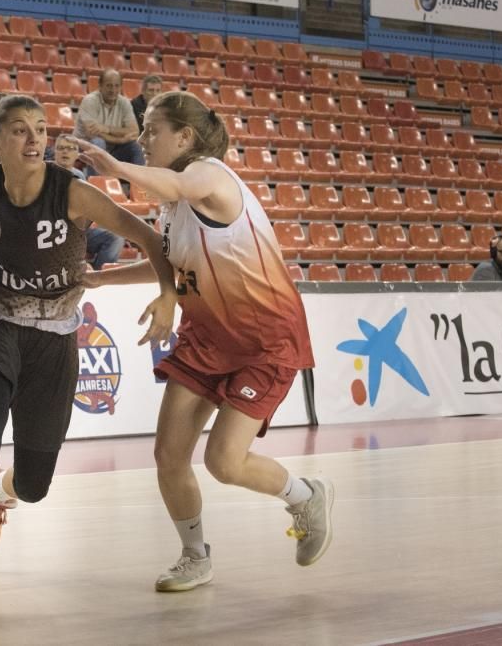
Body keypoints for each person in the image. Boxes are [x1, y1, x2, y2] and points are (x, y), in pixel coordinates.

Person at [70, 91, 334, 593]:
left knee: (223, 462)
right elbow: (168, 263)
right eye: (142, 130)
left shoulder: (209, 175)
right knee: (169, 455)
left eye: (152, 130)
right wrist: (105, 279)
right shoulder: (171, 209)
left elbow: (175, 180)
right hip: (207, 336)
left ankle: (305, 495)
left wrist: (113, 165)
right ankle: (195, 556)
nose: (144, 139)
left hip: (264, 338)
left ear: (185, 137)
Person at [0, 93, 178, 611]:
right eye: (20, 130)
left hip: (54, 338)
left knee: (35, 482)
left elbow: (150, 238)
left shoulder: (73, 193)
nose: (34, 139)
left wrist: (167, 295)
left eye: (40, 129)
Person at [51, 134, 125, 270]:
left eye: (70, 148)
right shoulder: (46, 174)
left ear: (77, 154)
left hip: (77, 230)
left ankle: (97, 276)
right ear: (54, 152)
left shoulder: (79, 175)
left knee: (116, 237)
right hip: (53, 230)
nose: (65, 151)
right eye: (60, 148)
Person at [74, 68, 145, 173]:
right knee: (98, 142)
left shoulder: (124, 103)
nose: (113, 90)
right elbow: (92, 134)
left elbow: (134, 131)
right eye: (109, 85)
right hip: (85, 148)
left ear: (121, 87)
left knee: (136, 146)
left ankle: (139, 187)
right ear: (100, 86)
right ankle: (96, 184)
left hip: (113, 150)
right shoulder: (90, 101)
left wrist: (106, 129)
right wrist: (120, 140)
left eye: (116, 86)